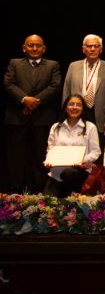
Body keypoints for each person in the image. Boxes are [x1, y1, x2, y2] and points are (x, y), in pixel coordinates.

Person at [4, 34, 62, 193]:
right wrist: (24, 99)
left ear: (44, 48)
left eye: (38, 45)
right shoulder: (14, 63)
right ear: (24, 48)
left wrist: (34, 102)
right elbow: (8, 84)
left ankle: (39, 190)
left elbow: (55, 86)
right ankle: (15, 191)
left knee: (40, 156)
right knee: (16, 157)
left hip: (42, 118)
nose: (34, 48)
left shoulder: (53, 65)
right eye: (31, 45)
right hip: (17, 117)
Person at [62, 34, 105, 151]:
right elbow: (66, 92)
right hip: (76, 113)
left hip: (100, 117)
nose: (92, 49)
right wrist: (65, 115)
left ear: (101, 49)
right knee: (76, 150)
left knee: (97, 152)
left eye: (96, 46)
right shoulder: (73, 66)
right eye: (89, 46)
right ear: (83, 49)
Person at [43, 94, 101, 197]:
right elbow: (50, 148)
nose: (74, 107)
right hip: (56, 173)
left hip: (80, 172)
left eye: (78, 105)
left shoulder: (90, 127)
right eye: (71, 104)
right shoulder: (56, 127)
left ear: (83, 109)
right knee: (46, 205)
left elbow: (96, 152)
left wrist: (81, 161)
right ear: (65, 107)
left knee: (68, 174)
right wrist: (49, 160)